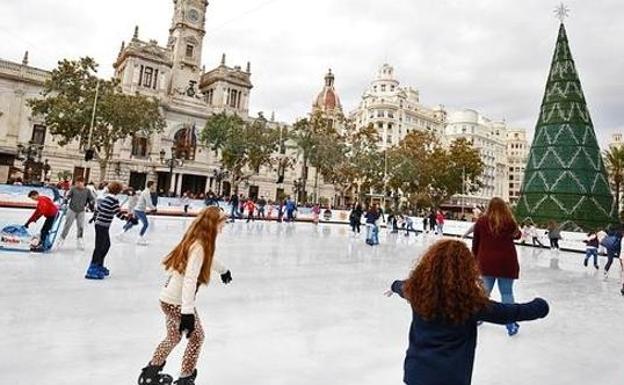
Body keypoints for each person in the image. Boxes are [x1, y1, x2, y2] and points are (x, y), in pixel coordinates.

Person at [386, 239, 549, 385]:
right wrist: (540, 306)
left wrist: (394, 286)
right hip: (451, 377)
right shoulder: (469, 303)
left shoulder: (416, 290)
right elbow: (508, 313)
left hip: (416, 373)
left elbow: (401, 286)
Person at [138, 207, 233, 385]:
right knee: (197, 337)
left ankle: (149, 375)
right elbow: (190, 279)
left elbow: (208, 260)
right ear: (214, 224)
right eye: (222, 222)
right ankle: (185, 379)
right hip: (177, 302)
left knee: (173, 336)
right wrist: (187, 312)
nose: (224, 226)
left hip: (167, 298)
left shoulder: (198, 241)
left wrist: (223, 270)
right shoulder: (199, 246)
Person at [472, 197, 522, 336]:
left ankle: (478, 317)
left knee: (484, 293)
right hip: (507, 263)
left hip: (486, 263)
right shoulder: (509, 222)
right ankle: (510, 323)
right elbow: (518, 235)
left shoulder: (481, 222)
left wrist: (474, 260)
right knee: (507, 293)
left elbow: (476, 242)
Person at [85, 181, 130, 280]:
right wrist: (129, 219)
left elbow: (98, 209)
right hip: (102, 225)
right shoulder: (113, 201)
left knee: (105, 245)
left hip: (100, 224)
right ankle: (92, 269)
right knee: (100, 247)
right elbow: (119, 214)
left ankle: (99, 265)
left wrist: (95, 217)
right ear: (118, 191)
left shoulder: (106, 198)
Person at [57, 177, 93, 250]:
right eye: (77, 182)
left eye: (80, 182)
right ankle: (62, 238)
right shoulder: (73, 189)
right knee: (67, 225)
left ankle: (79, 239)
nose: (78, 184)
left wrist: (91, 203)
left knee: (80, 226)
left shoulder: (87, 190)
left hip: (81, 211)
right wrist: (66, 199)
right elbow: (68, 196)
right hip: (72, 209)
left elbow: (91, 199)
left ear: (83, 183)